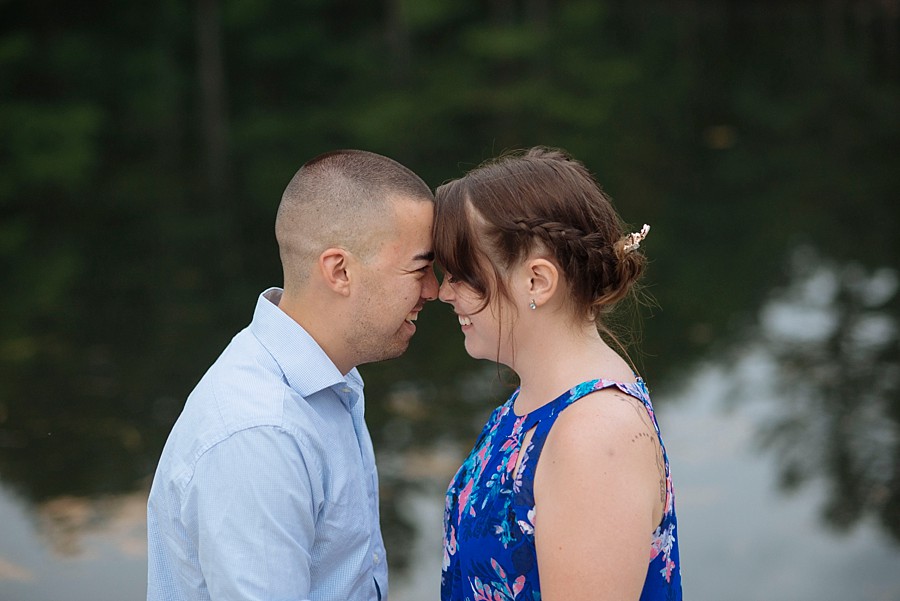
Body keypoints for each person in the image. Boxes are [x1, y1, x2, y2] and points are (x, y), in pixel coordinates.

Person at [146, 149, 439, 601]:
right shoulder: (260, 433)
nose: (434, 290)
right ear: (339, 270)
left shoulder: (328, 382)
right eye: (420, 268)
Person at [435, 147, 682, 601]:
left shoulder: (595, 434)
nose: (442, 292)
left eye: (462, 274)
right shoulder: (539, 401)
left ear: (537, 281)